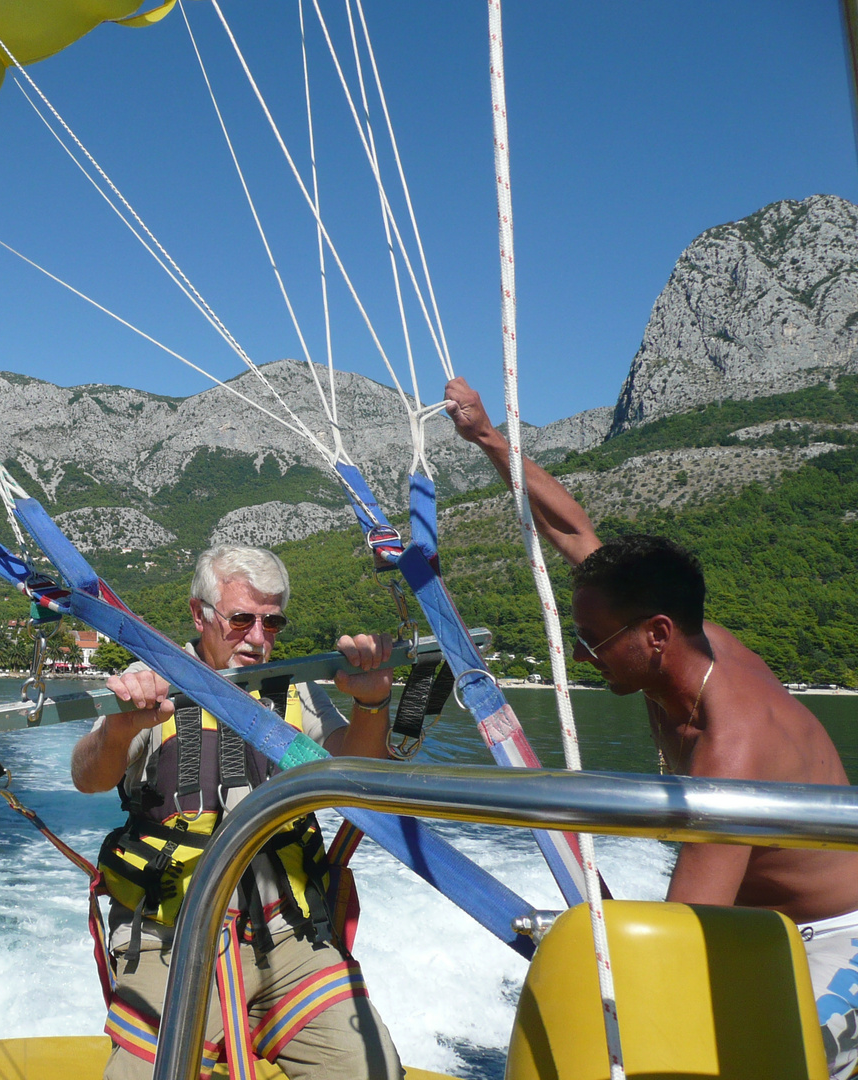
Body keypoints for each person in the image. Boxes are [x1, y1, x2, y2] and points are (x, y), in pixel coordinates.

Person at [445, 375, 858, 1079]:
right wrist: (488, 438)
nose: (581, 657)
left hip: (833, 941)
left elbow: (679, 936)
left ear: (656, 635)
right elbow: (573, 530)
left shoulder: (733, 748)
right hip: (760, 926)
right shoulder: (677, 638)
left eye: (592, 643)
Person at [71, 545, 403, 1080]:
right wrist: (121, 727)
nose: (256, 637)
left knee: (371, 1071)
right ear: (198, 614)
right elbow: (88, 777)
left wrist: (372, 705)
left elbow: (354, 770)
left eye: (271, 622)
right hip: (169, 941)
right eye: (241, 619)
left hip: (290, 936)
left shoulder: (296, 692)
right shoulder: (147, 684)